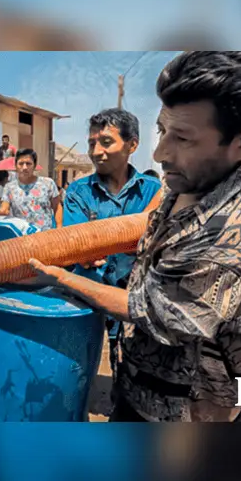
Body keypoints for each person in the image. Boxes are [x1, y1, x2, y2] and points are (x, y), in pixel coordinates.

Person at [30, 51, 241, 422]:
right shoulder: (197, 179)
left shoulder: (240, 225)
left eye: (183, 137)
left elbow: (153, 310)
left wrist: (61, 277)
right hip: (142, 387)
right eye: (162, 130)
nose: (160, 152)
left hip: (183, 411)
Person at [61, 108, 163, 376]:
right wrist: (81, 251)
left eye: (106, 142)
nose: (96, 151)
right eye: (92, 143)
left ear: (132, 144)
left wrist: (97, 244)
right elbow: (74, 243)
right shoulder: (78, 191)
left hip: (134, 297)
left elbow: (157, 243)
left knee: (129, 367)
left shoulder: (154, 192)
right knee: (79, 363)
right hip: (86, 293)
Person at [0, 149, 61, 231]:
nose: (24, 167)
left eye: (28, 163)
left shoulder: (48, 183)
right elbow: (4, 206)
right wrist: (3, 210)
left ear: (34, 166)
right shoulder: (9, 187)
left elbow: (57, 206)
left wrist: (59, 228)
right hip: (21, 238)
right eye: (21, 164)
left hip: (45, 237)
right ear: (16, 166)